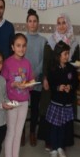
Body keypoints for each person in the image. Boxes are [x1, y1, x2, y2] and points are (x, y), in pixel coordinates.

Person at [1, 33, 34, 157]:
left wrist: (28, 84)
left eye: (24, 46)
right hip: (12, 102)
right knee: (11, 132)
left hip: (24, 101)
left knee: (19, 132)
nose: (21, 48)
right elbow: (3, 83)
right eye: (18, 45)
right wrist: (13, 84)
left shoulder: (27, 63)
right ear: (13, 47)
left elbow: (31, 82)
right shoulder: (7, 63)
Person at [46, 41, 79, 157]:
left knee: (63, 127)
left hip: (67, 103)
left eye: (68, 53)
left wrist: (70, 86)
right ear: (58, 55)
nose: (67, 56)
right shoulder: (53, 69)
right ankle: (53, 149)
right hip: (56, 103)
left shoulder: (71, 68)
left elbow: (76, 82)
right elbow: (51, 83)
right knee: (55, 127)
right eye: (65, 54)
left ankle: (60, 147)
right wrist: (58, 87)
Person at [24, 9, 48, 147]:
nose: (32, 24)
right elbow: (19, 58)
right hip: (23, 80)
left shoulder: (43, 41)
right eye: (30, 21)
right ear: (27, 23)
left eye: (35, 21)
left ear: (38, 23)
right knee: (22, 108)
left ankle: (32, 132)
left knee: (34, 109)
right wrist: (26, 74)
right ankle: (21, 132)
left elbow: (43, 60)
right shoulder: (22, 39)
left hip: (36, 80)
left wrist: (35, 73)